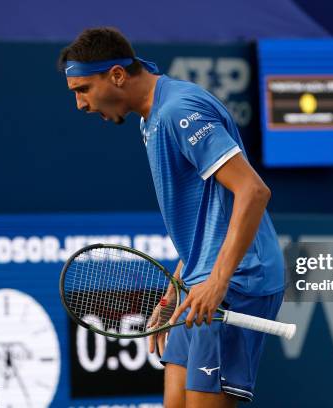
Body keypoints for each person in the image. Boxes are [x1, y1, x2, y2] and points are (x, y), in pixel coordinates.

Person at [58, 27, 285, 408]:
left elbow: (253, 191)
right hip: (198, 283)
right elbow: (206, 218)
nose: (81, 104)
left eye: (83, 89)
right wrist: (174, 288)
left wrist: (217, 280)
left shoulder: (179, 111)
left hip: (239, 280)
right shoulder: (152, 119)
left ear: (116, 75)